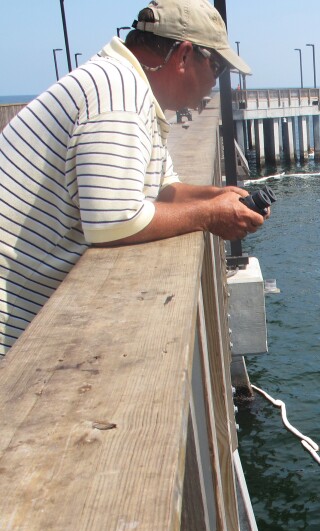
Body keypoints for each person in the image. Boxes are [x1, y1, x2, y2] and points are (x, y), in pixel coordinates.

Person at [0, 0, 267, 356]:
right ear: (184, 56)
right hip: (13, 328)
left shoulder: (129, 87)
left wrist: (217, 196)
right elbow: (113, 221)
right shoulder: (117, 94)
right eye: (216, 68)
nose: (215, 85)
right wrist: (210, 215)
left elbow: (165, 189)